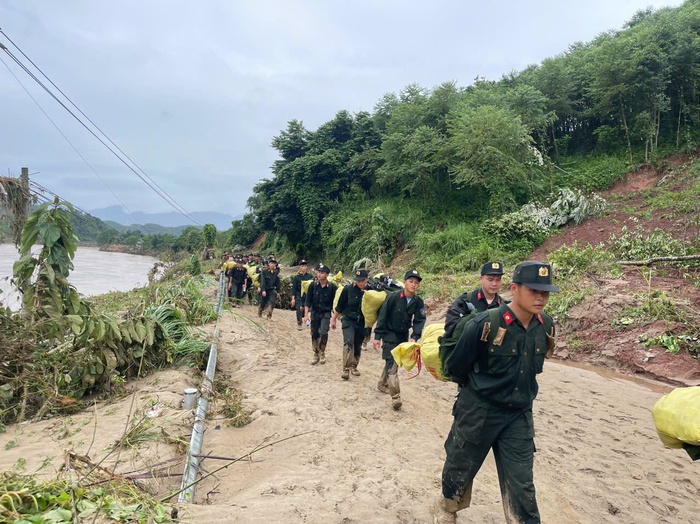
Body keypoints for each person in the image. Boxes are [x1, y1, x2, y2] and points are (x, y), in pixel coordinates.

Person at [433, 261, 559, 524]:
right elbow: (457, 367)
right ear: (514, 289)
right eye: (533, 291)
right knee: (460, 468)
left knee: (522, 484)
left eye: (545, 292)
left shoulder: (545, 325)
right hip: (479, 410)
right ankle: (447, 509)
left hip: (518, 416)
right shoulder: (484, 324)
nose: (540, 298)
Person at [372, 269, 426, 410]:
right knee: (392, 364)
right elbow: (382, 317)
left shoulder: (418, 302)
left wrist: (414, 337)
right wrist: (377, 337)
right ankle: (395, 397)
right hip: (389, 334)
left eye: (416, 283)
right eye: (411, 281)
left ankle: (382, 384)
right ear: (404, 282)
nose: (413, 285)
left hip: (403, 336)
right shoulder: (393, 297)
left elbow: (420, 320)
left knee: (394, 361)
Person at [444, 261, 506, 338]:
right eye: (490, 279)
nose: (494, 283)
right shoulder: (465, 300)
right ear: (481, 279)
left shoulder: (504, 305)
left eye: (498, 279)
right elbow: (450, 327)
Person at [332, 268, 369, 380]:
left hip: (362, 323)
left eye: (362, 280)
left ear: (367, 279)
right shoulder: (348, 289)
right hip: (348, 320)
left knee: (357, 345)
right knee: (348, 342)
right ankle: (346, 369)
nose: (360, 283)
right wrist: (333, 319)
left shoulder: (371, 291)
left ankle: (354, 366)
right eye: (358, 280)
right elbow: (340, 306)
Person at [304, 263, 337, 365]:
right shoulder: (313, 286)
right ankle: (316, 353)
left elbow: (335, 303)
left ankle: (322, 352)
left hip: (326, 313)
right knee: (314, 334)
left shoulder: (332, 287)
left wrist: (334, 318)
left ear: (327, 275)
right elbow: (308, 301)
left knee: (323, 333)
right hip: (315, 313)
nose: (319, 274)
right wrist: (306, 315)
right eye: (318, 272)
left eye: (322, 273)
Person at [291, 260, 314, 330]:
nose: (303, 267)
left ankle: (307, 320)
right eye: (302, 266)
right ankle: (299, 323)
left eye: (305, 266)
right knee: (299, 309)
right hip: (299, 295)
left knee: (306, 309)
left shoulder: (310, 276)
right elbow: (294, 289)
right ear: (299, 267)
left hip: (307, 295)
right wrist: (293, 298)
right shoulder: (296, 277)